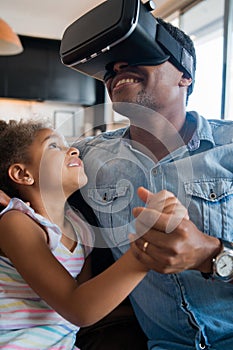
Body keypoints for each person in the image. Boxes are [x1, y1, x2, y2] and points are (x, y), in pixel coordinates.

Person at [69, 17, 233, 350]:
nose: (115, 69)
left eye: (138, 53)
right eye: (109, 68)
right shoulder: (86, 157)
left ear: (184, 75)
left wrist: (211, 255)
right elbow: (19, 168)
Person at [0, 118, 171, 349]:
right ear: (22, 174)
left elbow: (90, 299)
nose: (72, 150)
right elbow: (77, 309)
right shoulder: (17, 222)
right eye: (53, 146)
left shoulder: (82, 230)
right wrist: (147, 250)